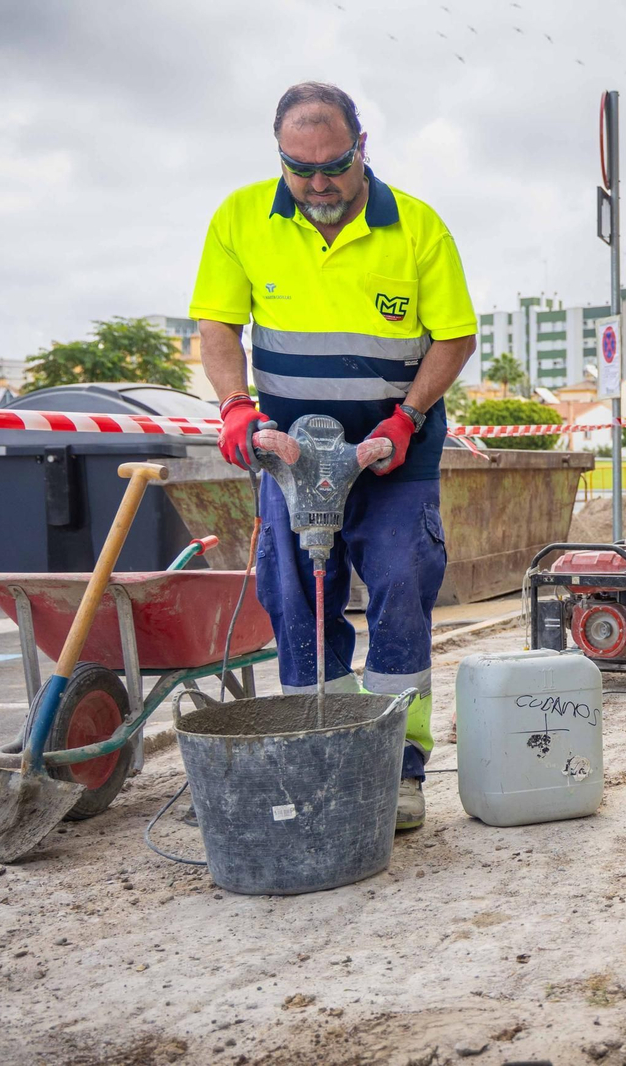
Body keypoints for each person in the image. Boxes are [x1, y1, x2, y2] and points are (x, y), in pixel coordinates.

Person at [190, 82, 477, 830]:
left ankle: (398, 768)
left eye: (334, 165)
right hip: (290, 457)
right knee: (297, 604)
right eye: (300, 167)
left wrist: (408, 419)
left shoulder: (417, 228)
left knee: (399, 587)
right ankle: (327, 755)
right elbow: (218, 327)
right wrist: (236, 409)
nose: (318, 183)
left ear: (362, 149)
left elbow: (453, 336)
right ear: (281, 157)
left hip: (391, 455)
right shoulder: (241, 219)